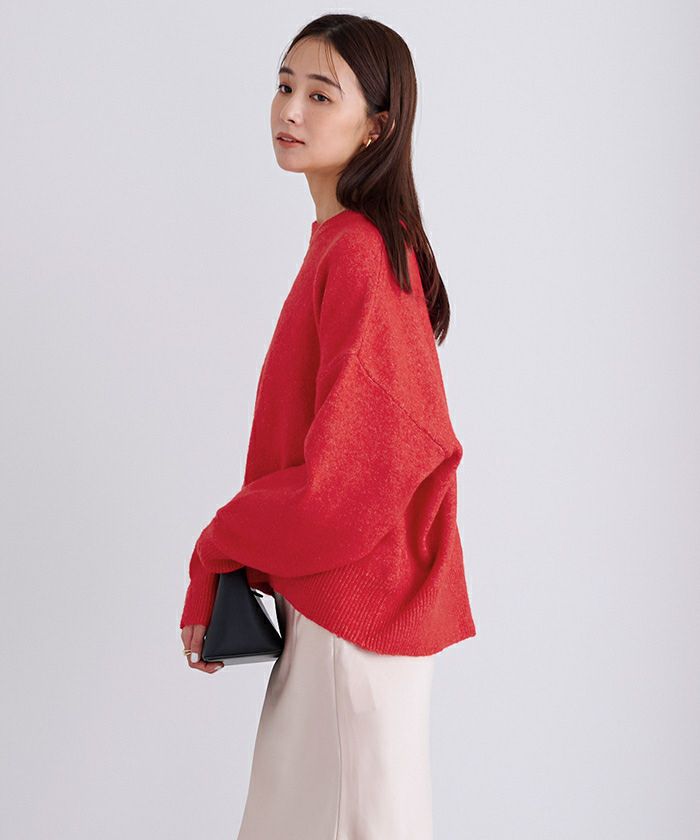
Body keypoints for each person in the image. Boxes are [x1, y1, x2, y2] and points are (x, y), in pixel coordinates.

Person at [179, 13, 477, 839]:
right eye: (284, 85)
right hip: (345, 614)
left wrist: (218, 541)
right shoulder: (348, 246)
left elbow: (352, 486)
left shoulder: (359, 254)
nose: (290, 109)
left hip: (353, 621)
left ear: (376, 126)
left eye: (320, 94)